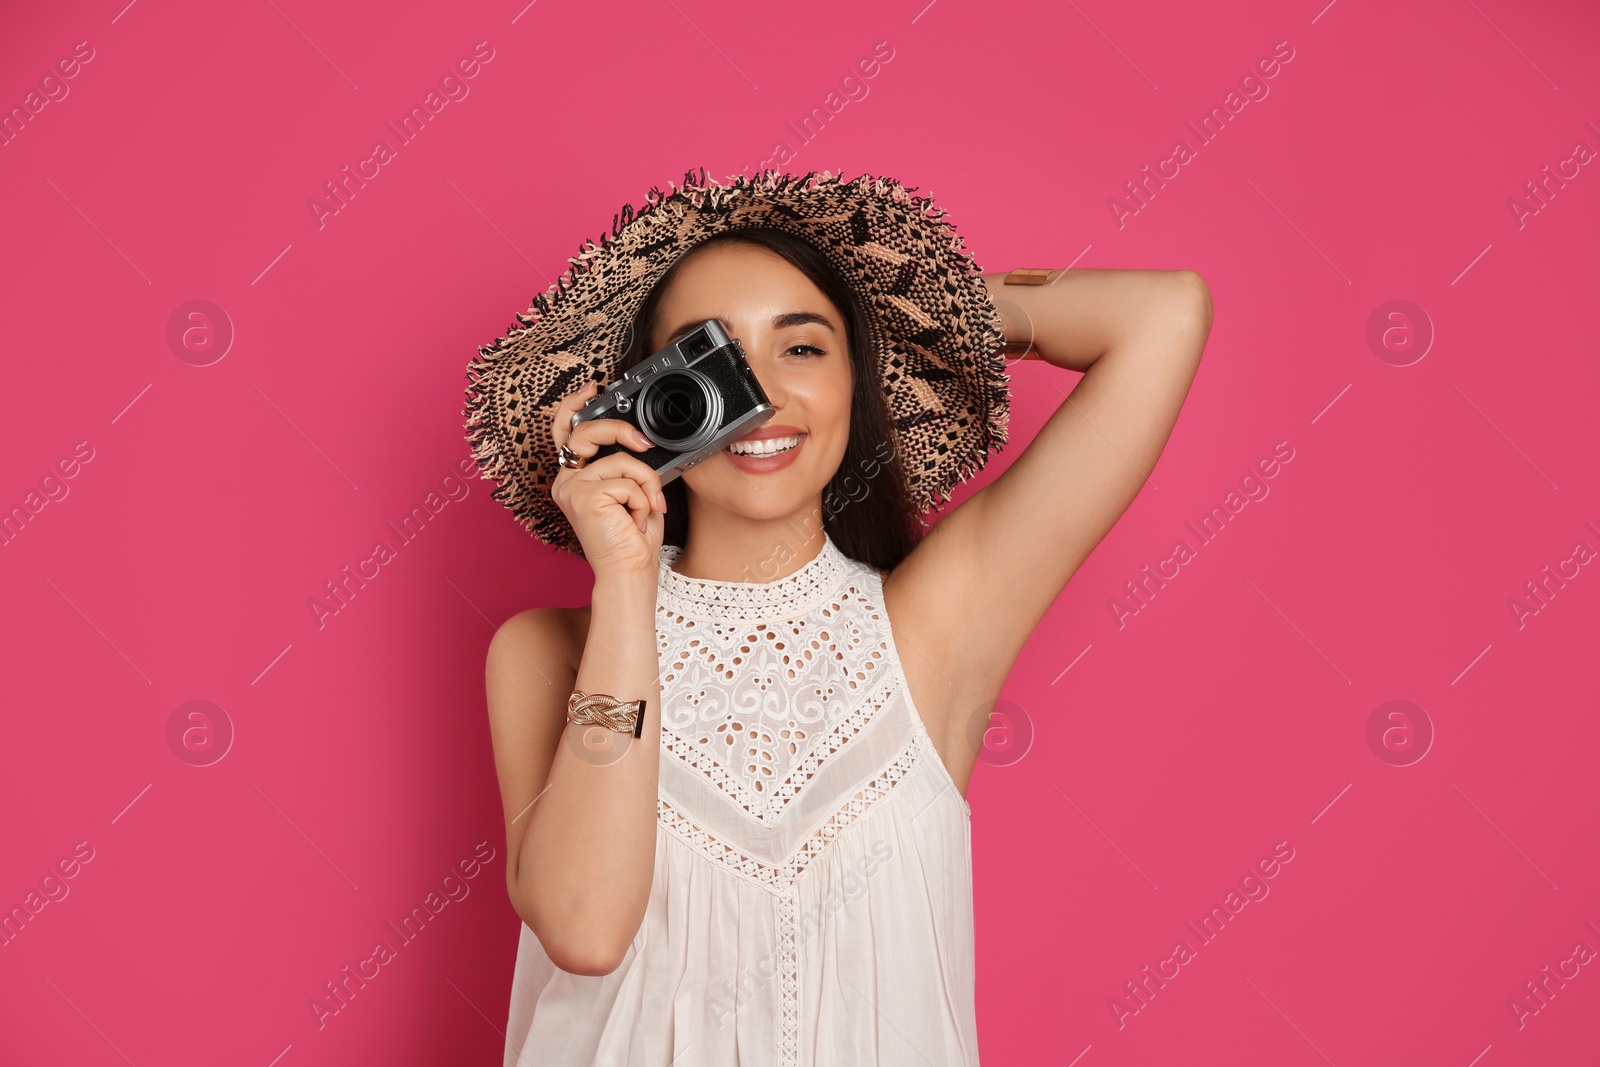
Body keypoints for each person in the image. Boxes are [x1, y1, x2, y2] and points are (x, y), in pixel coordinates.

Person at [463, 169, 1211, 1065]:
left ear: (860, 378)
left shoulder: (930, 627)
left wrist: (896, 310)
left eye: (803, 349)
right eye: (709, 363)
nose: (761, 396)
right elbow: (585, 929)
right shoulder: (549, 651)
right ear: (645, 401)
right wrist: (624, 581)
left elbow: (1164, 315)